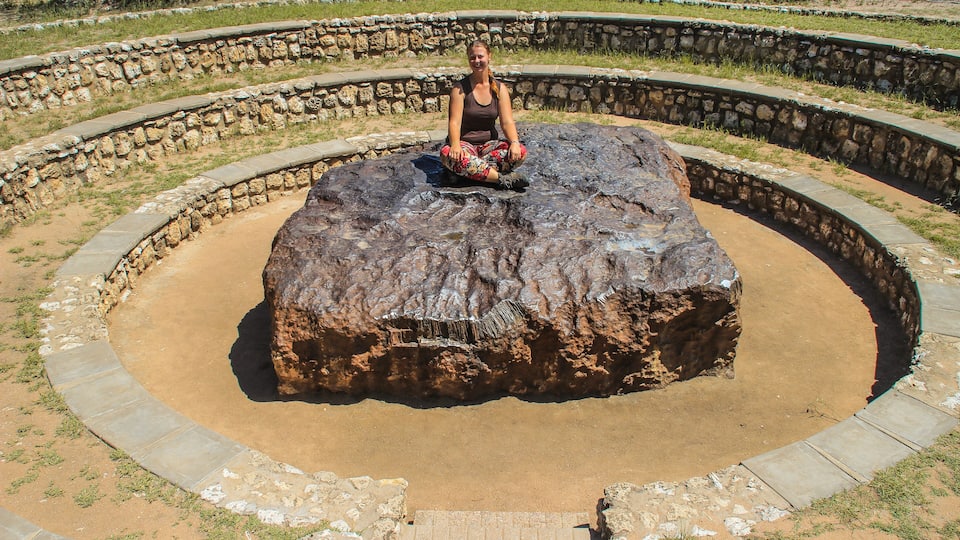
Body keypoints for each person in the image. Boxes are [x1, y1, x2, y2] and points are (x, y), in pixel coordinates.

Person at [440, 40, 528, 189]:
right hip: (465, 147)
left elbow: (507, 122)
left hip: (488, 148)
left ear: (489, 56)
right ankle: (499, 179)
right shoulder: (459, 89)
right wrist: (455, 145)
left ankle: (472, 172)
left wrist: (514, 143)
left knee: (521, 152)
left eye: (480, 57)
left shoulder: (500, 89)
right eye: (472, 58)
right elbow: (454, 122)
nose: (477, 61)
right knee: (448, 153)